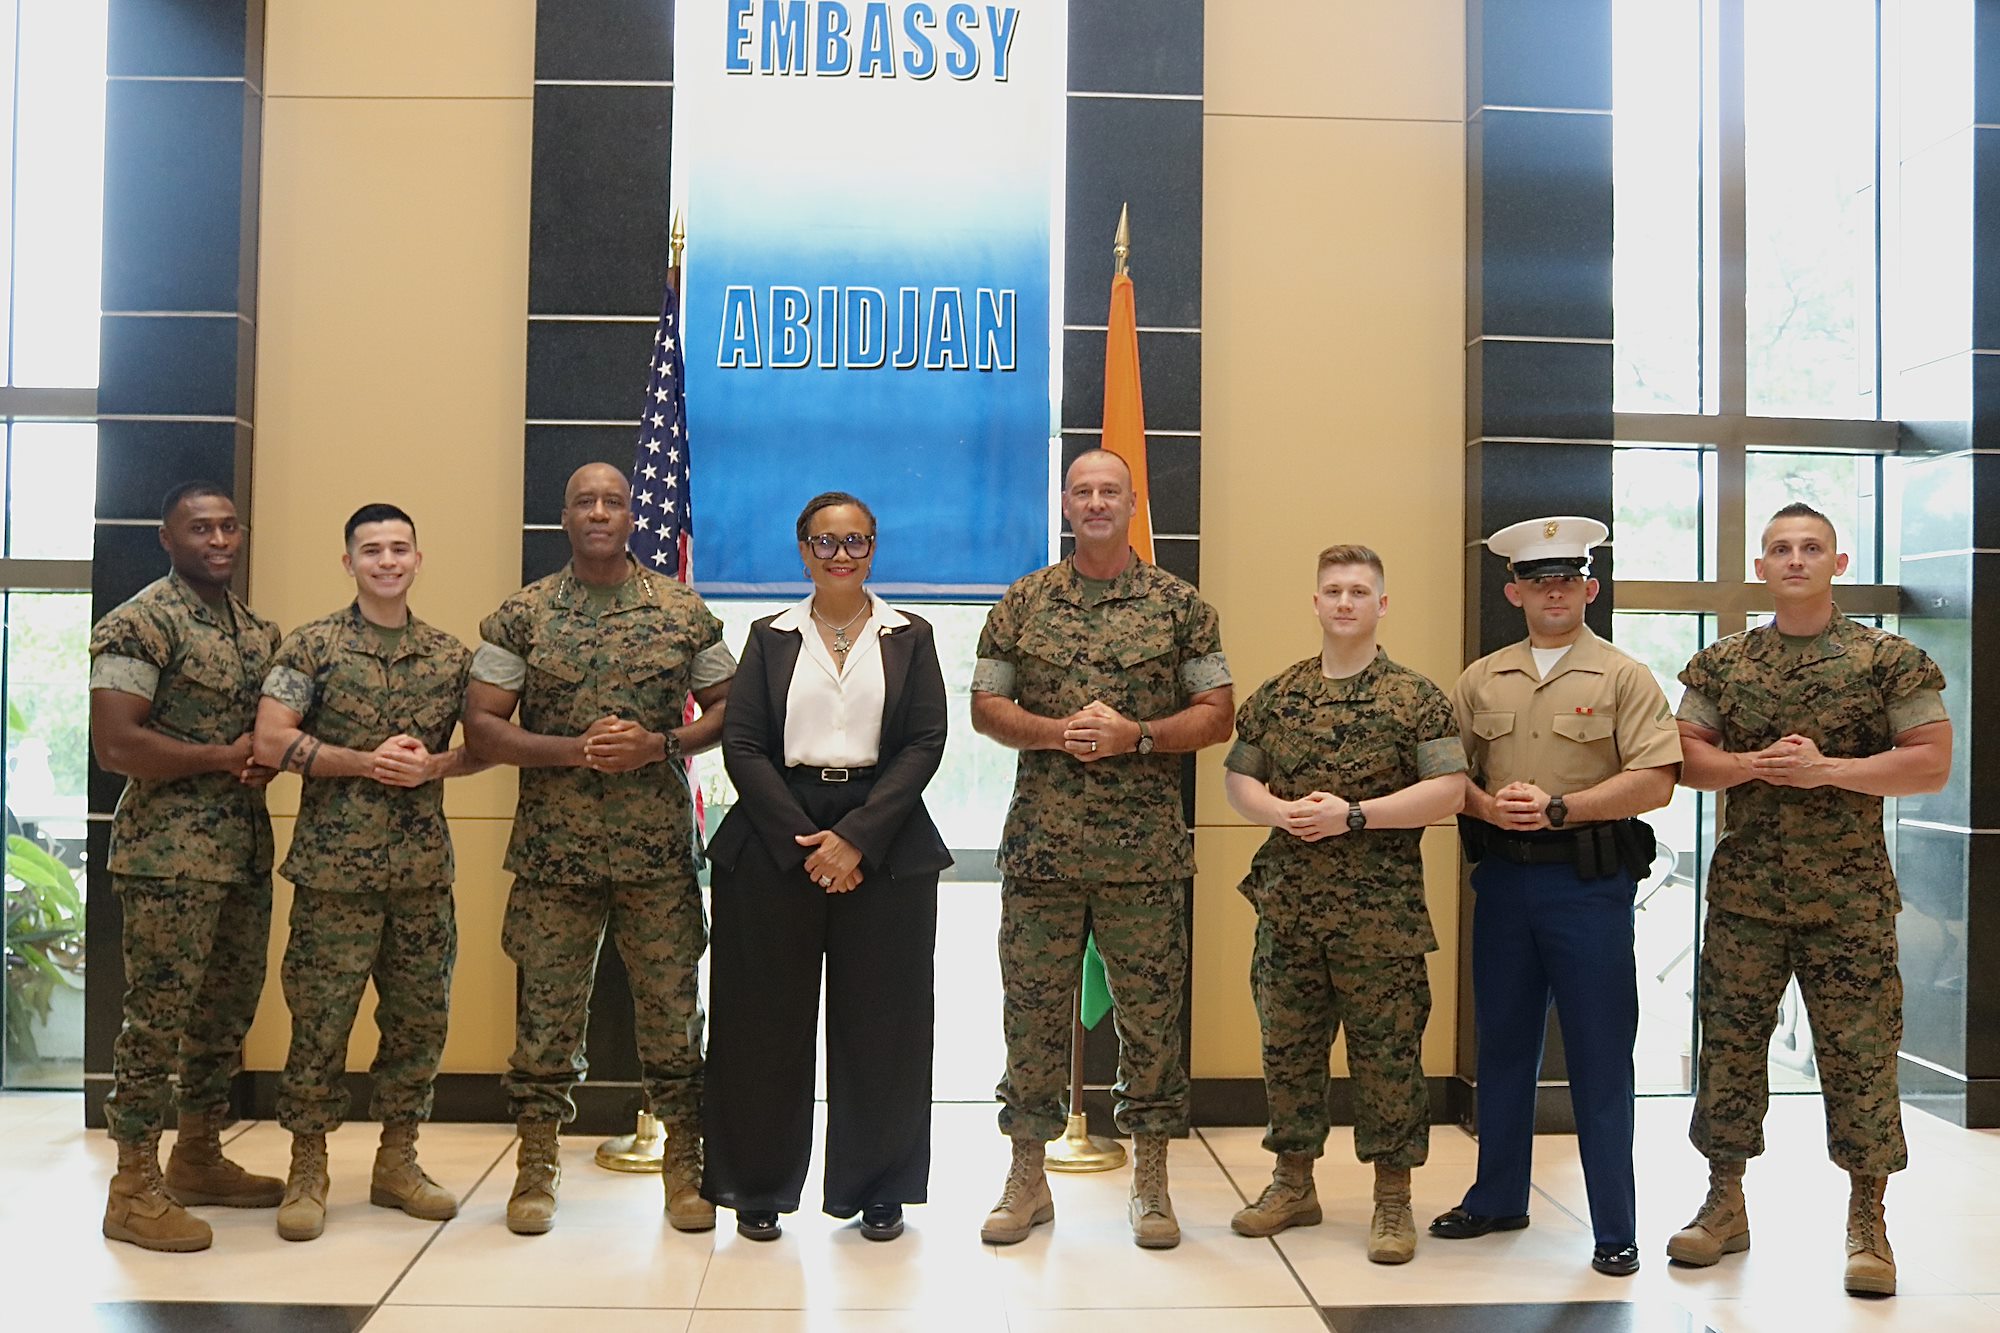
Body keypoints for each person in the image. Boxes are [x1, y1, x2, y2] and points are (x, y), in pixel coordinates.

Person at [1667, 502, 1949, 1298]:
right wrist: (1753, 763)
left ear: (1838, 561)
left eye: (1810, 547)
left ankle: (1868, 1218)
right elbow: (1684, 756)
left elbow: (1929, 763)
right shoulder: (1722, 663)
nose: (1795, 559)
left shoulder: (1888, 659)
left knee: (1859, 1060)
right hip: (1747, 897)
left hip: (1849, 902)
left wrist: (1830, 770)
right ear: (1761, 566)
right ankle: (1724, 1202)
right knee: (1728, 1049)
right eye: (1780, 548)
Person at [970, 448, 1234, 1250]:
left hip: (1143, 857)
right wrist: (1062, 733)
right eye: (1082, 491)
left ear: (1131, 502)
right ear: (1065, 504)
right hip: (1043, 853)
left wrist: (1136, 736)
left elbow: (1217, 713)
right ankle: (1027, 1177)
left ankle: (1151, 1181)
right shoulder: (1023, 601)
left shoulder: (1182, 607)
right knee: (1032, 1017)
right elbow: (985, 704)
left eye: (1108, 491)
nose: (1095, 502)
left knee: (1152, 1021)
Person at [462, 463, 736, 1236]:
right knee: (546, 1021)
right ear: (565, 515)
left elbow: (729, 705)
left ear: (630, 517)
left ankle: (686, 1167)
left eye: (614, 500)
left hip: (656, 855)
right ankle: (536, 1168)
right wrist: (570, 752)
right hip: (557, 855)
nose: (600, 511)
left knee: (675, 1019)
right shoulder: (522, 616)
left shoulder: (682, 612)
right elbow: (482, 725)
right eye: (584, 500)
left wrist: (661, 743)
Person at [1428, 516, 1680, 1277]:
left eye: (1568, 579)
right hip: (1503, 880)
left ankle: (1614, 1226)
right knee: (1501, 1046)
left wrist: (1565, 807)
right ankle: (1498, 1194)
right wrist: (1482, 804)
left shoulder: (1624, 676)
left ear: (1590, 588)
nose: (1554, 592)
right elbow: (1450, 775)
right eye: (1539, 582)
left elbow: (1657, 779)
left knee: (1602, 1055)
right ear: (1515, 592)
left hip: (1587, 884)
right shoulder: (1481, 677)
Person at [701, 492, 952, 1243]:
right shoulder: (768, 635)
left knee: (885, 1024)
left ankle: (878, 1187)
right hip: (777, 837)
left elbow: (926, 741)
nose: (841, 555)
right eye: (825, 542)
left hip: (886, 834)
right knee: (760, 1023)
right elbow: (742, 744)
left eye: (855, 542)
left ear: (874, 547)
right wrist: (806, 842)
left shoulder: (912, 633)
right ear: (802, 549)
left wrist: (858, 841)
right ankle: (757, 1183)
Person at [1223, 544, 1466, 1264]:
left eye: (1360, 590)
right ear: (1316, 601)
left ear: (1382, 605)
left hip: (1379, 917)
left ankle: (1393, 1198)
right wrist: (1279, 810)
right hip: (1290, 910)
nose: (1345, 602)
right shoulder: (1279, 693)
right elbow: (1239, 782)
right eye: (1332, 589)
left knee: (1388, 1058)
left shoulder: (1416, 697)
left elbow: (1448, 791)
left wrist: (1352, 814)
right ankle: (1293, 1182)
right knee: (1288, 1051)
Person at [253, 503, 487, 1241]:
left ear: (419, 559)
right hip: (333, 876)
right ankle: (309, 1167)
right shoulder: (313, 646)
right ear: (348, 561)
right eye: (371, 549)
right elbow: (270, 734)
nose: (386, 560)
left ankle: (398, 1161)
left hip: (421, 876)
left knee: (418, 1023)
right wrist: (365, 761)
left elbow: (485, 742)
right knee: (320, 1024)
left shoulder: (452, 656)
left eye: (399, 549)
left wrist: (436, 765)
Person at [89, 481, 284, 1252]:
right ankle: (133, 1186)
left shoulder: (256, 631)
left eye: (229, 526)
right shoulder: (140, 622)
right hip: (168, 856)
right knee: (157, 1022)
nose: (219, 539)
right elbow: (116, 743)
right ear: (167, 539)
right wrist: (222, 756)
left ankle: (198, 1154)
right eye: (200, 527)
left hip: (239, 852)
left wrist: (267, 761)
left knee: (225, 1014)